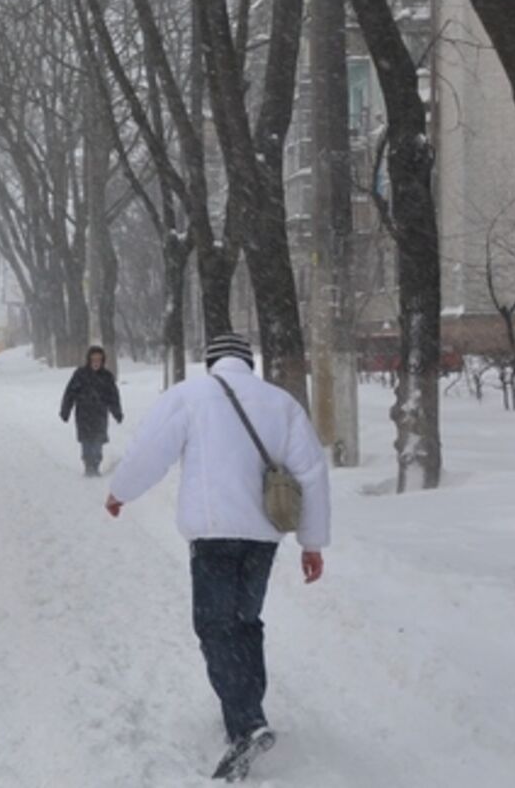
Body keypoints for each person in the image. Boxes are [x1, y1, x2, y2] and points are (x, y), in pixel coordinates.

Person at [104, 333, 332, 781]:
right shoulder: (280, 403)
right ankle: (248, 712)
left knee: (214, 625)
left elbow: (151, 451)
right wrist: (312, 543)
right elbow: (311, 473)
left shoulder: (190, 396)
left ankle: (246, 723)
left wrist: (120, 491)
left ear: (211, 361)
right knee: (245, 622)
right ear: (249, 362)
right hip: (263, 537)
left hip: (213, 536)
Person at [58, 346, 123, 476]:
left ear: (102, 360)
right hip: (83, 415)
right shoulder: (80, 374)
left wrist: (117, 413)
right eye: (93, 359)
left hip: (100, 415)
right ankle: (88, 466)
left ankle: (96, 465)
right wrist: (65, 411)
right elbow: (70, 393)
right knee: (86, 442)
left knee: (98, 443)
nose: (96, 362)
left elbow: (113, 396)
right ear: (89, 360)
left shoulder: (107, 377)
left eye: (99, 359)